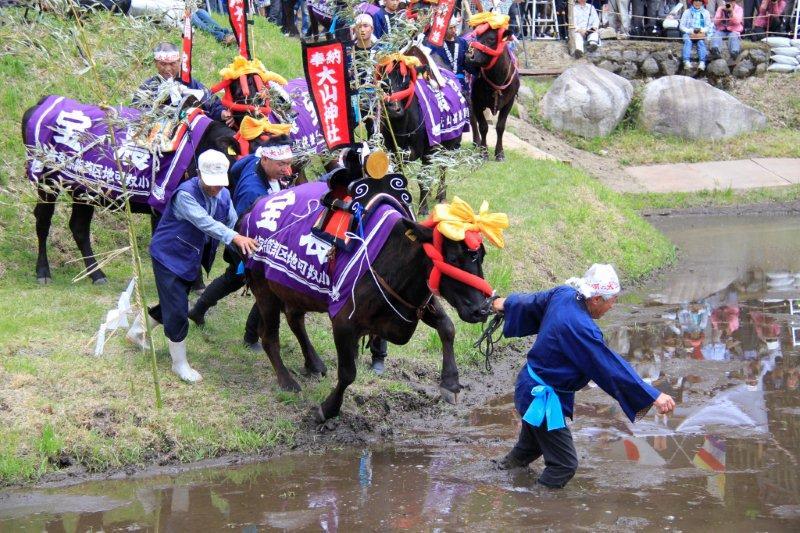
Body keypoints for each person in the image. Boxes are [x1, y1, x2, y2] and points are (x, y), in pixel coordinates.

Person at [492, 264, 676, 489]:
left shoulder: (563, 294)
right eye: (612, 300)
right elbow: (609, 367)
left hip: (529, 385)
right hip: (541, 398)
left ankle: (500, 471)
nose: (613, 305)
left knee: (531, 446)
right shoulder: (581, 327)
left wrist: (505, 304)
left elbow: (533, 301)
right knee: (564, 464)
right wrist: (653, 395)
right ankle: (534, 509)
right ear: (596, 299)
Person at [129, 150, 258, 382]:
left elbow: (230, 222)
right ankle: (179, 364)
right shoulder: (185, 195)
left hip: (190, 257)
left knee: (173, 300)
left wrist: (244, 246)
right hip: (168, 255)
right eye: (211, 183)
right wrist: (234, 238)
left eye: (220, 184)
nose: (215, 189)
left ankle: (137, 331)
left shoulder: (225, 196)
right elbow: (206, 223)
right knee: (178, 309)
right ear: (198, 174)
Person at [188, 138, 295, 350]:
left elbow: (236, 168)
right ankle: (251, 336)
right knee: (270, 287)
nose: (287, 169)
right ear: (265, 159)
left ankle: (198, 310)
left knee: (233, 278)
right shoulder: (253, 192)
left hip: (254, 240)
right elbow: (242, 224)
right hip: (245, 241)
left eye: (288, 163)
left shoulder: (252, 162)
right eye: (281, 164)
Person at [132, 42, 235, 128]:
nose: (168, 69)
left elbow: (210, 101)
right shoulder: (148, 88)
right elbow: (135, 114)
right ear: (155, 63)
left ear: (179, 62)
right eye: (163, 64)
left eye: (172, 64)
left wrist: (222, 113)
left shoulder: (189, 82)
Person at [427, 16, 469, 91]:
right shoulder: (435, 44)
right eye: (450, 28)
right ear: (444, 29)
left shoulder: (462, 42)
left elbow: (467, 64)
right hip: (444, 83)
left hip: (461, 82)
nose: (454, 30)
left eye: (454, 27)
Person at [680, 0, 714, 71]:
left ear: (702, 2)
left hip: (700, 34)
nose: (697, 3)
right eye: (696, 1)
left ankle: (702, 62)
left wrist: (701, 30)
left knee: (701, 43)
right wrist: (690, 31)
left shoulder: (706, 13)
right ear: (692, 2)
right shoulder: (687, 12)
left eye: (699, 1)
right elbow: (681, 26)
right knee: (688, 41)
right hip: (688, 33)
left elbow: (708, 26)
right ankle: (686, 61)